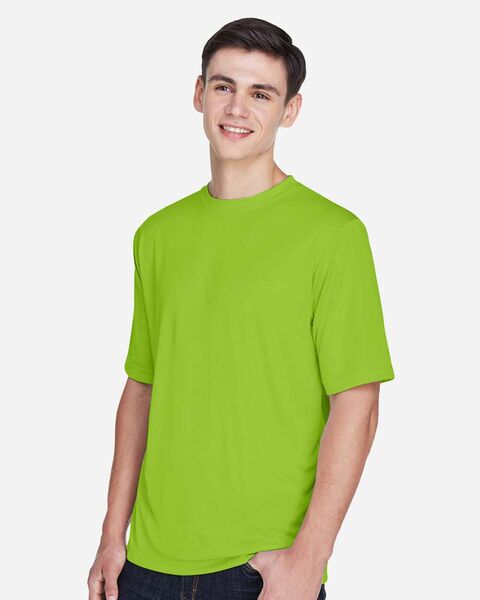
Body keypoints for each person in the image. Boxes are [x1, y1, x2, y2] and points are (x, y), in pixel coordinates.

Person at [87, 16, 395, 600]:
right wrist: (110, 536)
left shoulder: (333, 235)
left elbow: (358, 403)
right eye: (224, 86)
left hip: (260, 568)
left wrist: (309, 560)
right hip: (145, 566)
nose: (236, 108)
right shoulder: (157, 234)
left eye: (261, 93)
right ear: (199, 93)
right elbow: (142, 388)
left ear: (290, 110)